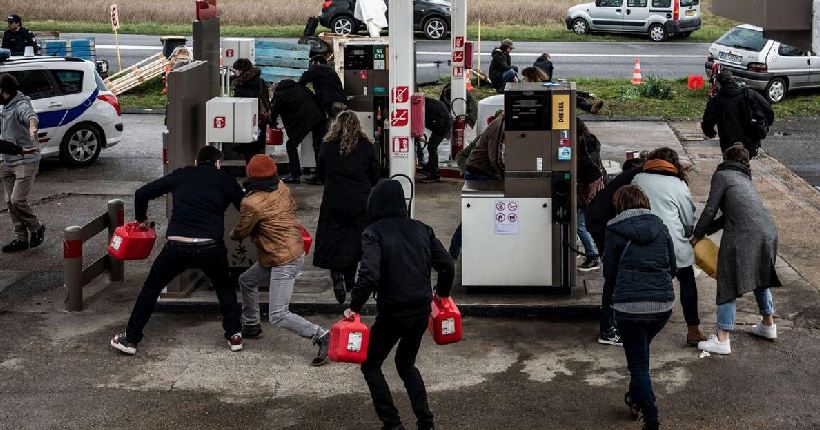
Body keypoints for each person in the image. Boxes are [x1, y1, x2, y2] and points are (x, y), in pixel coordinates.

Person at [111, 146, 245, 356]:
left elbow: (142, 193)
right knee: (225, 288)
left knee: (151, 288)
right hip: (211, 245)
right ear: (217, 163)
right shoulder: (225, 180)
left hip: (177, 246)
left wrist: (141, 219)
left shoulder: (182, 175)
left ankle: (131, 339)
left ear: (196, 161)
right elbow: (245, 207)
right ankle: (234, 335)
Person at [345, 179, 455, 430]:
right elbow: (447, 265)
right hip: (421, 309)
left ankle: (393, 424)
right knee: (406, 364)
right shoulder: (422, 228)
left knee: (371, 364)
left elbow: (369, 274)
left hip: (393, 311)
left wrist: (355, 305)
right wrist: (442, 293)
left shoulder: (373, 232)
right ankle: (426, 422)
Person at [231, 155, 330, 366]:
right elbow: (291, 206)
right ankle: (251, 324)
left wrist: (231, 234)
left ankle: (320, 335)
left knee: (278, 314)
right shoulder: (281, 186)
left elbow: (241, 231)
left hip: (284, 258)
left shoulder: (251, 203)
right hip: (288, 249)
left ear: (250, 174)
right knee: (247, 280)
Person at [692, 144, 780, 355]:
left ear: (725, 157)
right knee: (761, 277)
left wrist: (696, 235)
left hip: (744, 233)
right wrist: (704, 233)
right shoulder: (745, 178)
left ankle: (722, 339)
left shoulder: (722, 174)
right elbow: (728, 215)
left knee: (728, 280)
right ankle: (768, 325)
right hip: (767, 230)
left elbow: (711, 209)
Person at [604, 185, 675, 430]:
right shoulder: (661, 228)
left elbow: (609, 273)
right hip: (662, 306)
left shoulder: (614, 230)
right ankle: (635, 398)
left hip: (630, 307)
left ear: (620, 205)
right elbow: (672, 267)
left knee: (638, 364)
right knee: (641, 355)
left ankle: (651, 418)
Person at [632, 148, 706, 346]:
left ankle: (641, 327)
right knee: (687, 281)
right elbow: (688, 219)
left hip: (644, 243)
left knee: (644, 284)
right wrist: (688, 231)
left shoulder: (638, 179)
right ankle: (693, 330)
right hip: (673, 244)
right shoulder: (679, 184)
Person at [314, 111, 380, 304]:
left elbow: (320, 173)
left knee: (335, 239)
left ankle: (337, 276)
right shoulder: (367, 146)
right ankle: (351, 281)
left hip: (334, 199)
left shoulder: (327, 146)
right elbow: (375, 174)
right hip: (360, 201)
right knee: (354, 239)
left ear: (336, 125)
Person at [586, 154, 646, 346]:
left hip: (601, 220)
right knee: (613, 276)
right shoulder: (638, 178)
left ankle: (613, 324)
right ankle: (608, 329)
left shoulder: (633, 175)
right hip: (602, 223)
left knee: (615, 275)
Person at [0, 73, 44, 253]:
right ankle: (21, 239)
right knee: (9, 202)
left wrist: (32, 126)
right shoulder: (4, 106)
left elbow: (30, 116)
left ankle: (36, 228)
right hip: (6, 160)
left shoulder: (20, 104)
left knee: (17, 199)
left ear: (5, 92)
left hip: (25, 161)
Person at [702, 70, 774, 157]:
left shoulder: (716, 101)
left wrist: (710, 133)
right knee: (745, 161)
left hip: (728, 142)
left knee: (730, 162)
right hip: (750, 140)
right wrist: (765, 125)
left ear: (719, 84)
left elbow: (707, 122)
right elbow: (768, 110)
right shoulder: (749, 94)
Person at [269, 79, 326, 184]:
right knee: (318, 146)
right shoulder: (300, 88)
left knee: (291, 145)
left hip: (306, 120)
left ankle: (295, 175)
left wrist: (272, 125)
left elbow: (273, 112)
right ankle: (320, 176)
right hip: (319, 117)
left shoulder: (280, 94)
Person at [576, 119, 606, 273]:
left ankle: (591, 255)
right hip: (593, 187)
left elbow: (579, 167)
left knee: (579, 225)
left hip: (587, 190)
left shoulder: (582, 149)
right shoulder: (592, 141)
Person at [231, 58, 271, 164]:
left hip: (246, 119)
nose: (235, 72)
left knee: (248, 144)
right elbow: (266, 97)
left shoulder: (240, 85)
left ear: (241, 70)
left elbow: (238, 102)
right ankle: (261, 168)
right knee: (259, 144)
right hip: (260, 117)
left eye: (236, 69)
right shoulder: (260, 81)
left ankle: (250, 169)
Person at [520, 66, 603, 114]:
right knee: (573, 97)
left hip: (550, 106)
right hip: (546, 108)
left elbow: (563, 88)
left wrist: (587, 94)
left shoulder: (540, 85)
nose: (524, 78)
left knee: (573, 96)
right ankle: (589, 108)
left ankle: (590, 108)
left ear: (531, 76)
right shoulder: (537, 85)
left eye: (525, 76)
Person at [418, 97, 452, 182]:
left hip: (442, 124)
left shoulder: (424, 107)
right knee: (431, 146)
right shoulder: (426, 103)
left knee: (432, 147)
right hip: (442, 122)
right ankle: (430, 167)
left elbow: (437, 123)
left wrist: (443, 132)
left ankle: (435, 174)